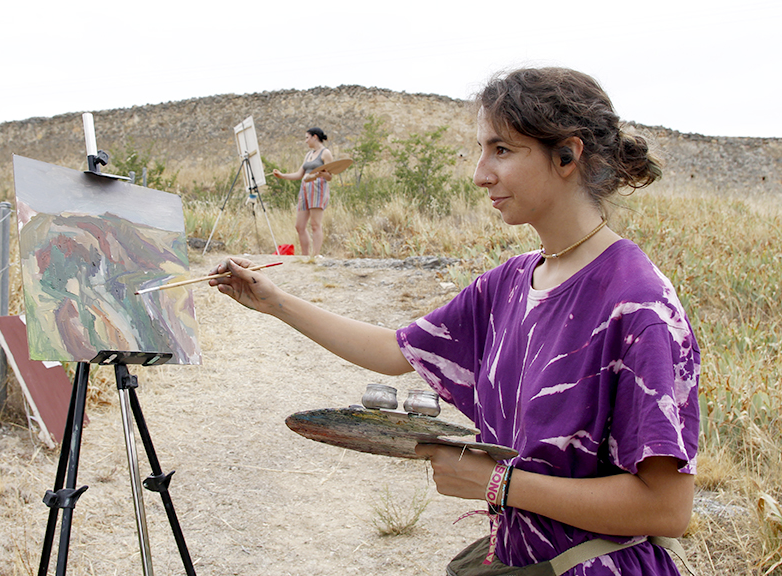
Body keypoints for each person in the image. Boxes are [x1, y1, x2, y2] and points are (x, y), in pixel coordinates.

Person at [209, 67, 699, 576]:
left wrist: (498, 484)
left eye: (501, 150)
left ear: (566, 155)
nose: (480, 174)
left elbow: (666, 508)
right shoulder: (512, 282)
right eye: (482, 150)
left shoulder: (638, 305)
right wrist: (274, 302)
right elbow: (395, 351)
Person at [272, 127, 334, 256]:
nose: (306, 141)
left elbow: (329, 176)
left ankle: (315, 255)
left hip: (317, 188)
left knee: (315, 224)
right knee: (299, 226)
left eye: (307, 138)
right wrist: (282, 176)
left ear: (314, 137)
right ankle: (305, 256)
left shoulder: (325, 153)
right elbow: (299, 174)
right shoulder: (309, 154)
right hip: (305, 188)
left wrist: (320, 174)